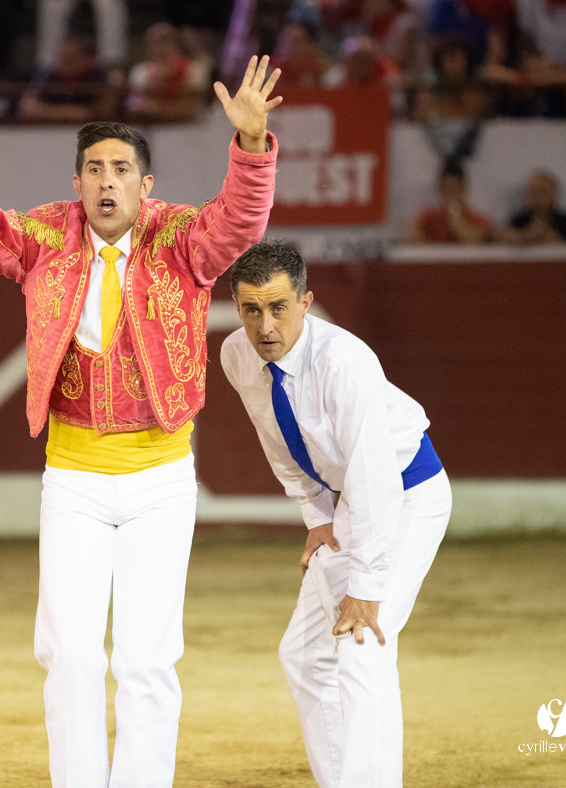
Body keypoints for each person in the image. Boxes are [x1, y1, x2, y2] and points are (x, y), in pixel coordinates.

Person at [0, 58, 281, 788]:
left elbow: (240, 222)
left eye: (120, 169)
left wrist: (252, 148)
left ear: (144, 185)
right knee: (68, 656)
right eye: (93, 168)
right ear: (76, 184)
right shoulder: (44, 239)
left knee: (145, 661)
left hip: (160, 478)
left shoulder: (183, 241)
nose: (105, 181)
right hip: (72, 480)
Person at [219, 239, 451, 788]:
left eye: (278, 307)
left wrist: (366, 583)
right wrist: (316, 515)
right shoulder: (236, 355)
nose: (265, 326)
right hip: (347, 503)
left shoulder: (345, 362)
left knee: (362, 646)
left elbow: (375, 478)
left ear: (305, 302)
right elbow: (276, 436)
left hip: (407, 495)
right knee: (304, 655)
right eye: (251, 310)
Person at [407, 160, 493, 243]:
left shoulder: (479, 220)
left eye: (455, 190)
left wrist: (456, 221)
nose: (452, 196)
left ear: (464, 190)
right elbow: (413, 241)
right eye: (447, 190)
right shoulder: (426, 218)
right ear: (440, 191)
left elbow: (478, 243)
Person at [498, 169, 566, 244]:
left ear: (554, 195)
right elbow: (505, 238)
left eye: (542, 191)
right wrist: (527, 237)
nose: (537, 196)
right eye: (533, 192)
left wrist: (555, 239)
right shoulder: (516, 221)